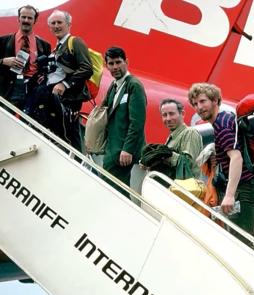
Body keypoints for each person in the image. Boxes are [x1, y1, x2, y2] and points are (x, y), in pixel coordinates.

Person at [187, 83, 254, 247]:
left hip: (245, 188)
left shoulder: (222, 126)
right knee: (238, 240)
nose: (199, 107)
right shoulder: (225, 119)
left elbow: (236, 157)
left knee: (241, 243)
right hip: (251, 185)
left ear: (215, 100)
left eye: (203, 101)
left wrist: (230, 195)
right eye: (195, 104)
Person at [43, 9, 93, 151]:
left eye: (60, 22)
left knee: (70, 137)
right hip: (60, 99)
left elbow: (87, 68)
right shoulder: (57, 47)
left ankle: (76, 163)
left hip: (70, 100)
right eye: (53, 23)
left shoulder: (75, 42)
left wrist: (65, 84)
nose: (56, 26)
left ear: (69, 24)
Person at [102, 46, 146, 197]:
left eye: (118, 62)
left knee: (113, 193)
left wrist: (128, 149)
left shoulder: (133, 85)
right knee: (112, 191)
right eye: (111, 63)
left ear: (126, 62)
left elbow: (137, 122)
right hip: (112, 150)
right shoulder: (114, 86)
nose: (115, 67)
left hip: (123, 152)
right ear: (106, 65)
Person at [0, 5, 51, 110]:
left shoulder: (44, 45)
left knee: (29, 124)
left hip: (33, 89)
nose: (26, 20)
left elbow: (48, 70)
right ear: (18, 18)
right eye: (23, 17)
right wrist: (3, 61)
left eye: (30, 18)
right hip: (8, 88)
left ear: (35, 20)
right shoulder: (3, 41)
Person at [160, 98, 203, 178]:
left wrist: (162, 156)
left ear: (182, 114)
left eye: (171, 114)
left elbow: (187, 164)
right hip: (173, 187)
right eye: (164, 115)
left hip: (185, 188)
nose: (168, 119)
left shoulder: (190, 133)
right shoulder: (172, 137)